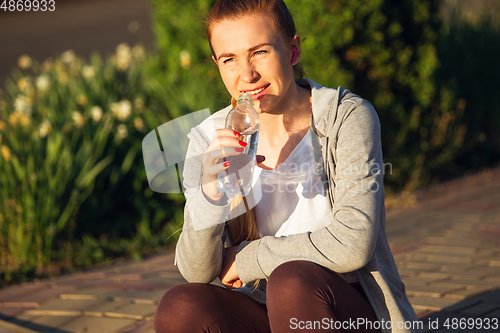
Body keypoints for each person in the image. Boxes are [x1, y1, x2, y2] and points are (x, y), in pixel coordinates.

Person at [154, 0, 419, 332]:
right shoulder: (210, 138)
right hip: (266, 309)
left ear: (292, 51)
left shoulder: (346, 118)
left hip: (347, 308)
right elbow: (197, 272)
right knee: (180, 306)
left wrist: (249, 257)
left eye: (260, 52)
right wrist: (210, 194)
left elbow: (354, 244)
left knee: (291, 281)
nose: (246, 75)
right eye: (230, 59)